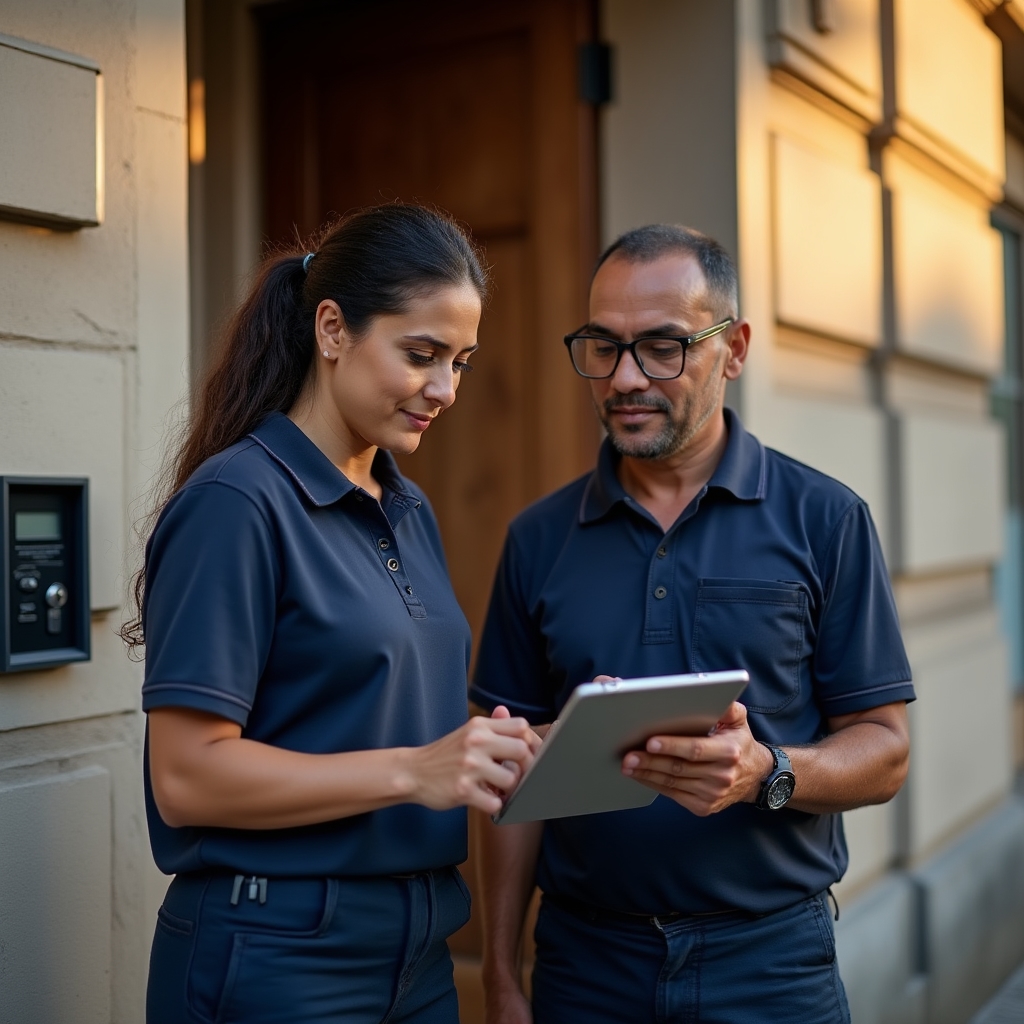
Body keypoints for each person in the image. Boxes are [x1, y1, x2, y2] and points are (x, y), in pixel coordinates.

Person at [470, 225, 915, 1024]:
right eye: (604, 347)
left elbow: (885, 752)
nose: (625, 378)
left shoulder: (826, 519)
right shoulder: (537, 539)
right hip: (585, 967)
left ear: (733, 349)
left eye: (662, 347)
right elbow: (506, 776)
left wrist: (767, 769)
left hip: (773, 967)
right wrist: (502, 976)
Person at [125, 204, 538, 1024]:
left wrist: (522, 748)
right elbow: (185, 778)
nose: (446, 390)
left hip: (419, 953)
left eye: (460, 362)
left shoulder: (406, 506)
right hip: (276, 955)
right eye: (421, 355)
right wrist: (416, 771)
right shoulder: (236, 502)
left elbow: (371, 715)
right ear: (332, 329)